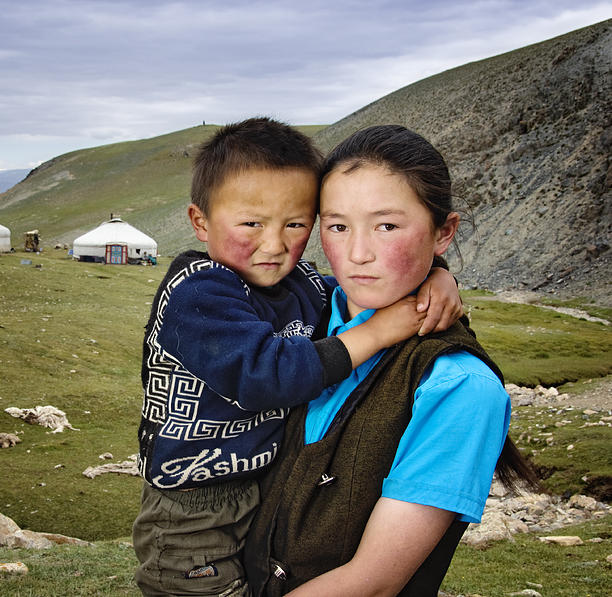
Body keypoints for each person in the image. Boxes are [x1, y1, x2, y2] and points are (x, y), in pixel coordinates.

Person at [132, 117, 465, 597]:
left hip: (259, 490)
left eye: (296, 224)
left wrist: (437, 274)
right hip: (192, 507)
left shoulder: (298, 285)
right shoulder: (198, 293)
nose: (275, 245)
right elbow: (267, 375)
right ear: (200, 222)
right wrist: (375, 333)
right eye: (252, 224)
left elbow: (358, 291)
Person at [243, 124, 539, 597]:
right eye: (338, 226)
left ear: (444, 232)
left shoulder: (458, 386)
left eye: (387, 226)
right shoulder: (298, 315)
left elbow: (374, 583)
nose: (358, 254)